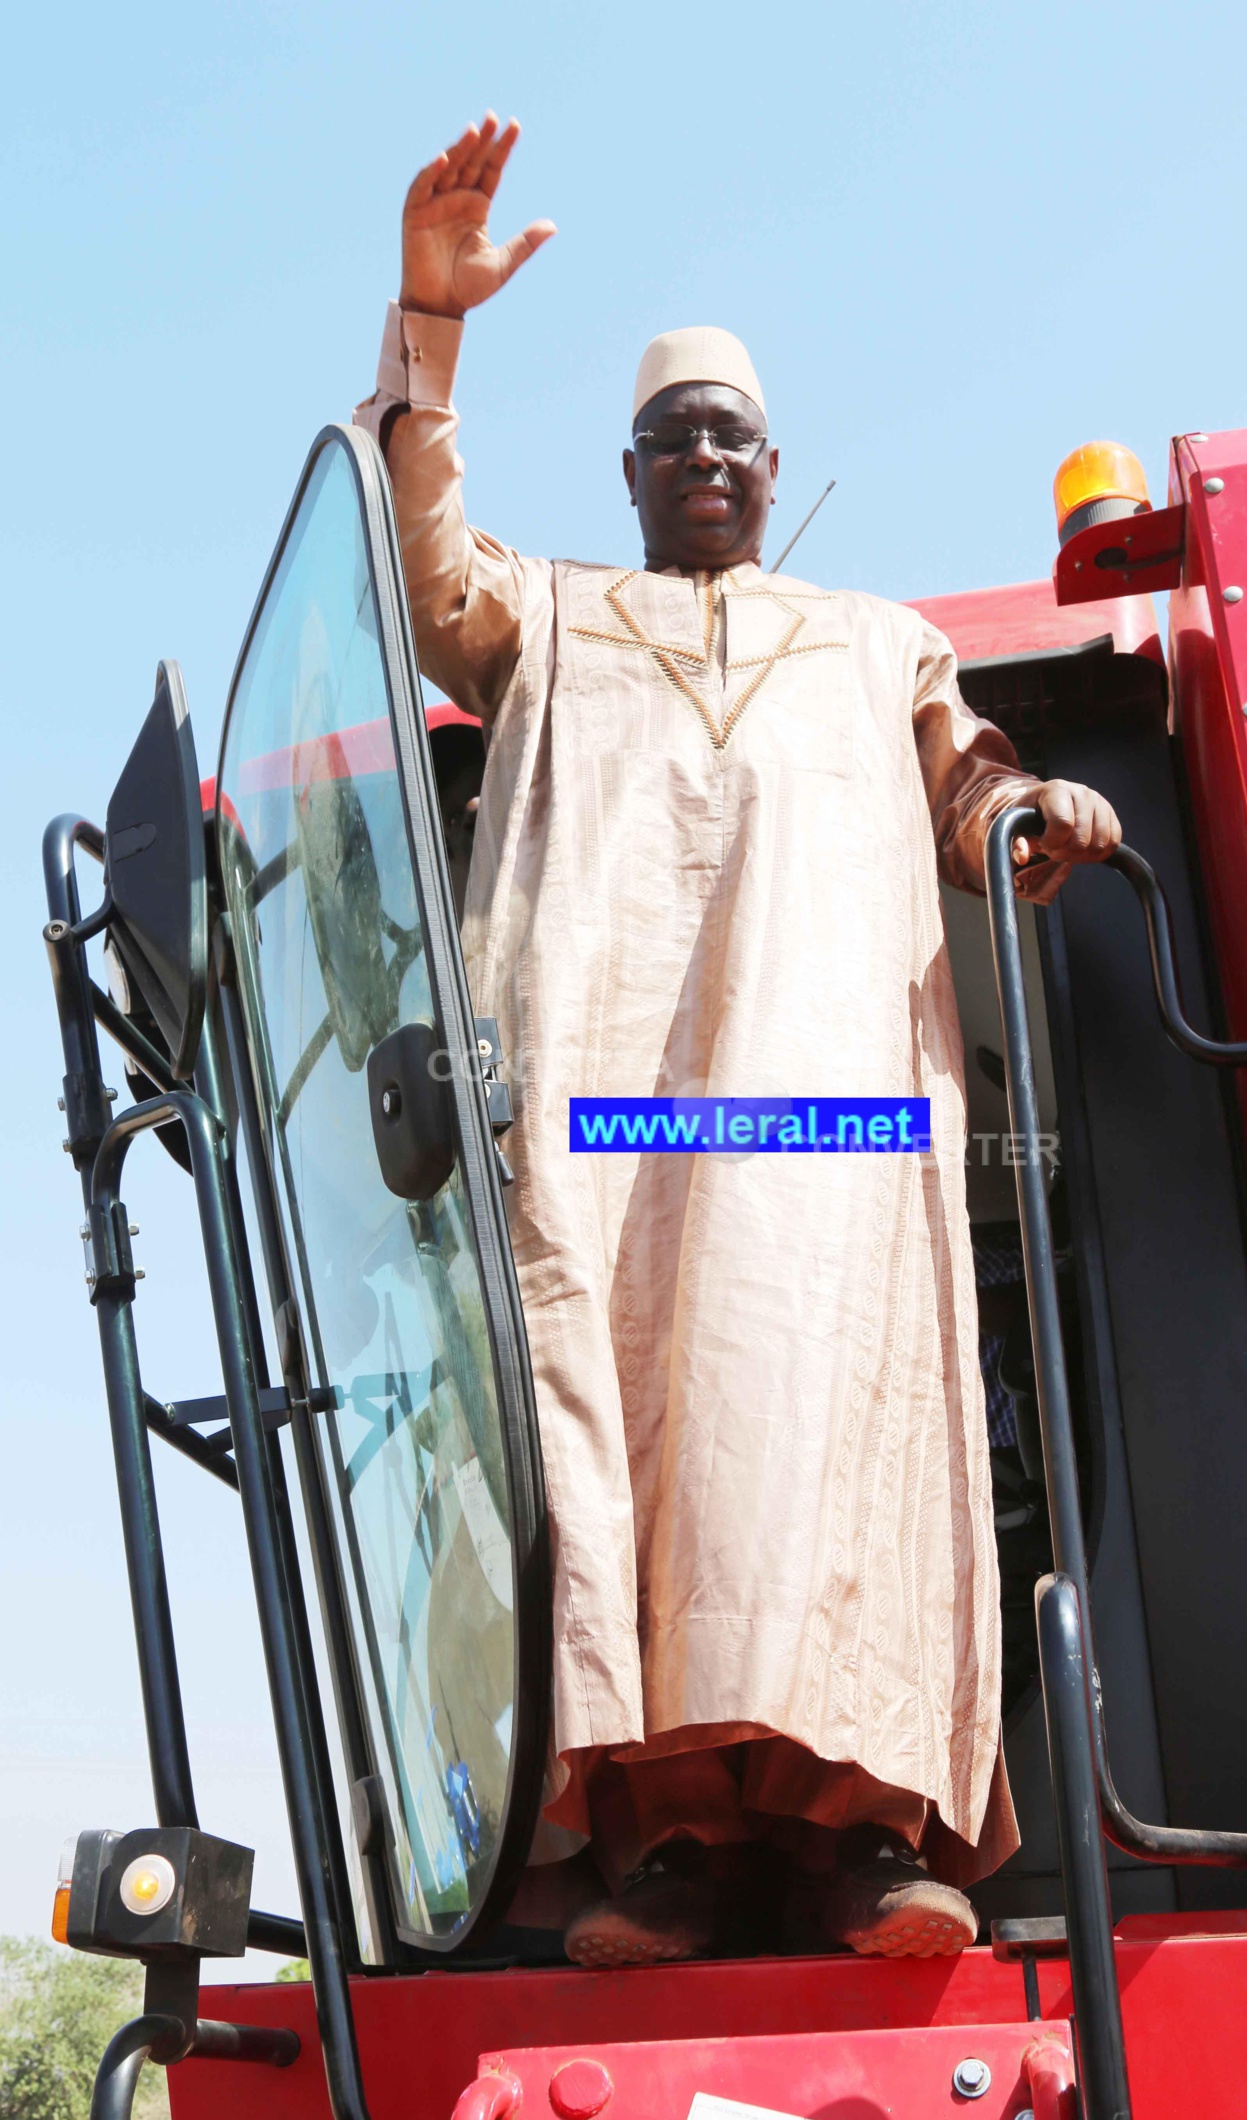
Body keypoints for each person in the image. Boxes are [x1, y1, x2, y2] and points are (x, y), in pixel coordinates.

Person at [355, 111, 1122, 1968]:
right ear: (627, 472)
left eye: (732, 437)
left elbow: (968, 786)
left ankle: (869, 1840)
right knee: (612, 1438)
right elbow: (426, 571)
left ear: (774, 471)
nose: (704, 456)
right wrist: (427, 332)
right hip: (604, 1124)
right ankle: (662, 1843)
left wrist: (1031, 820)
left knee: (827, 1427)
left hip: (833, 1116)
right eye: (671, 437)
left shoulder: (877, 638)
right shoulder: (550, 616)